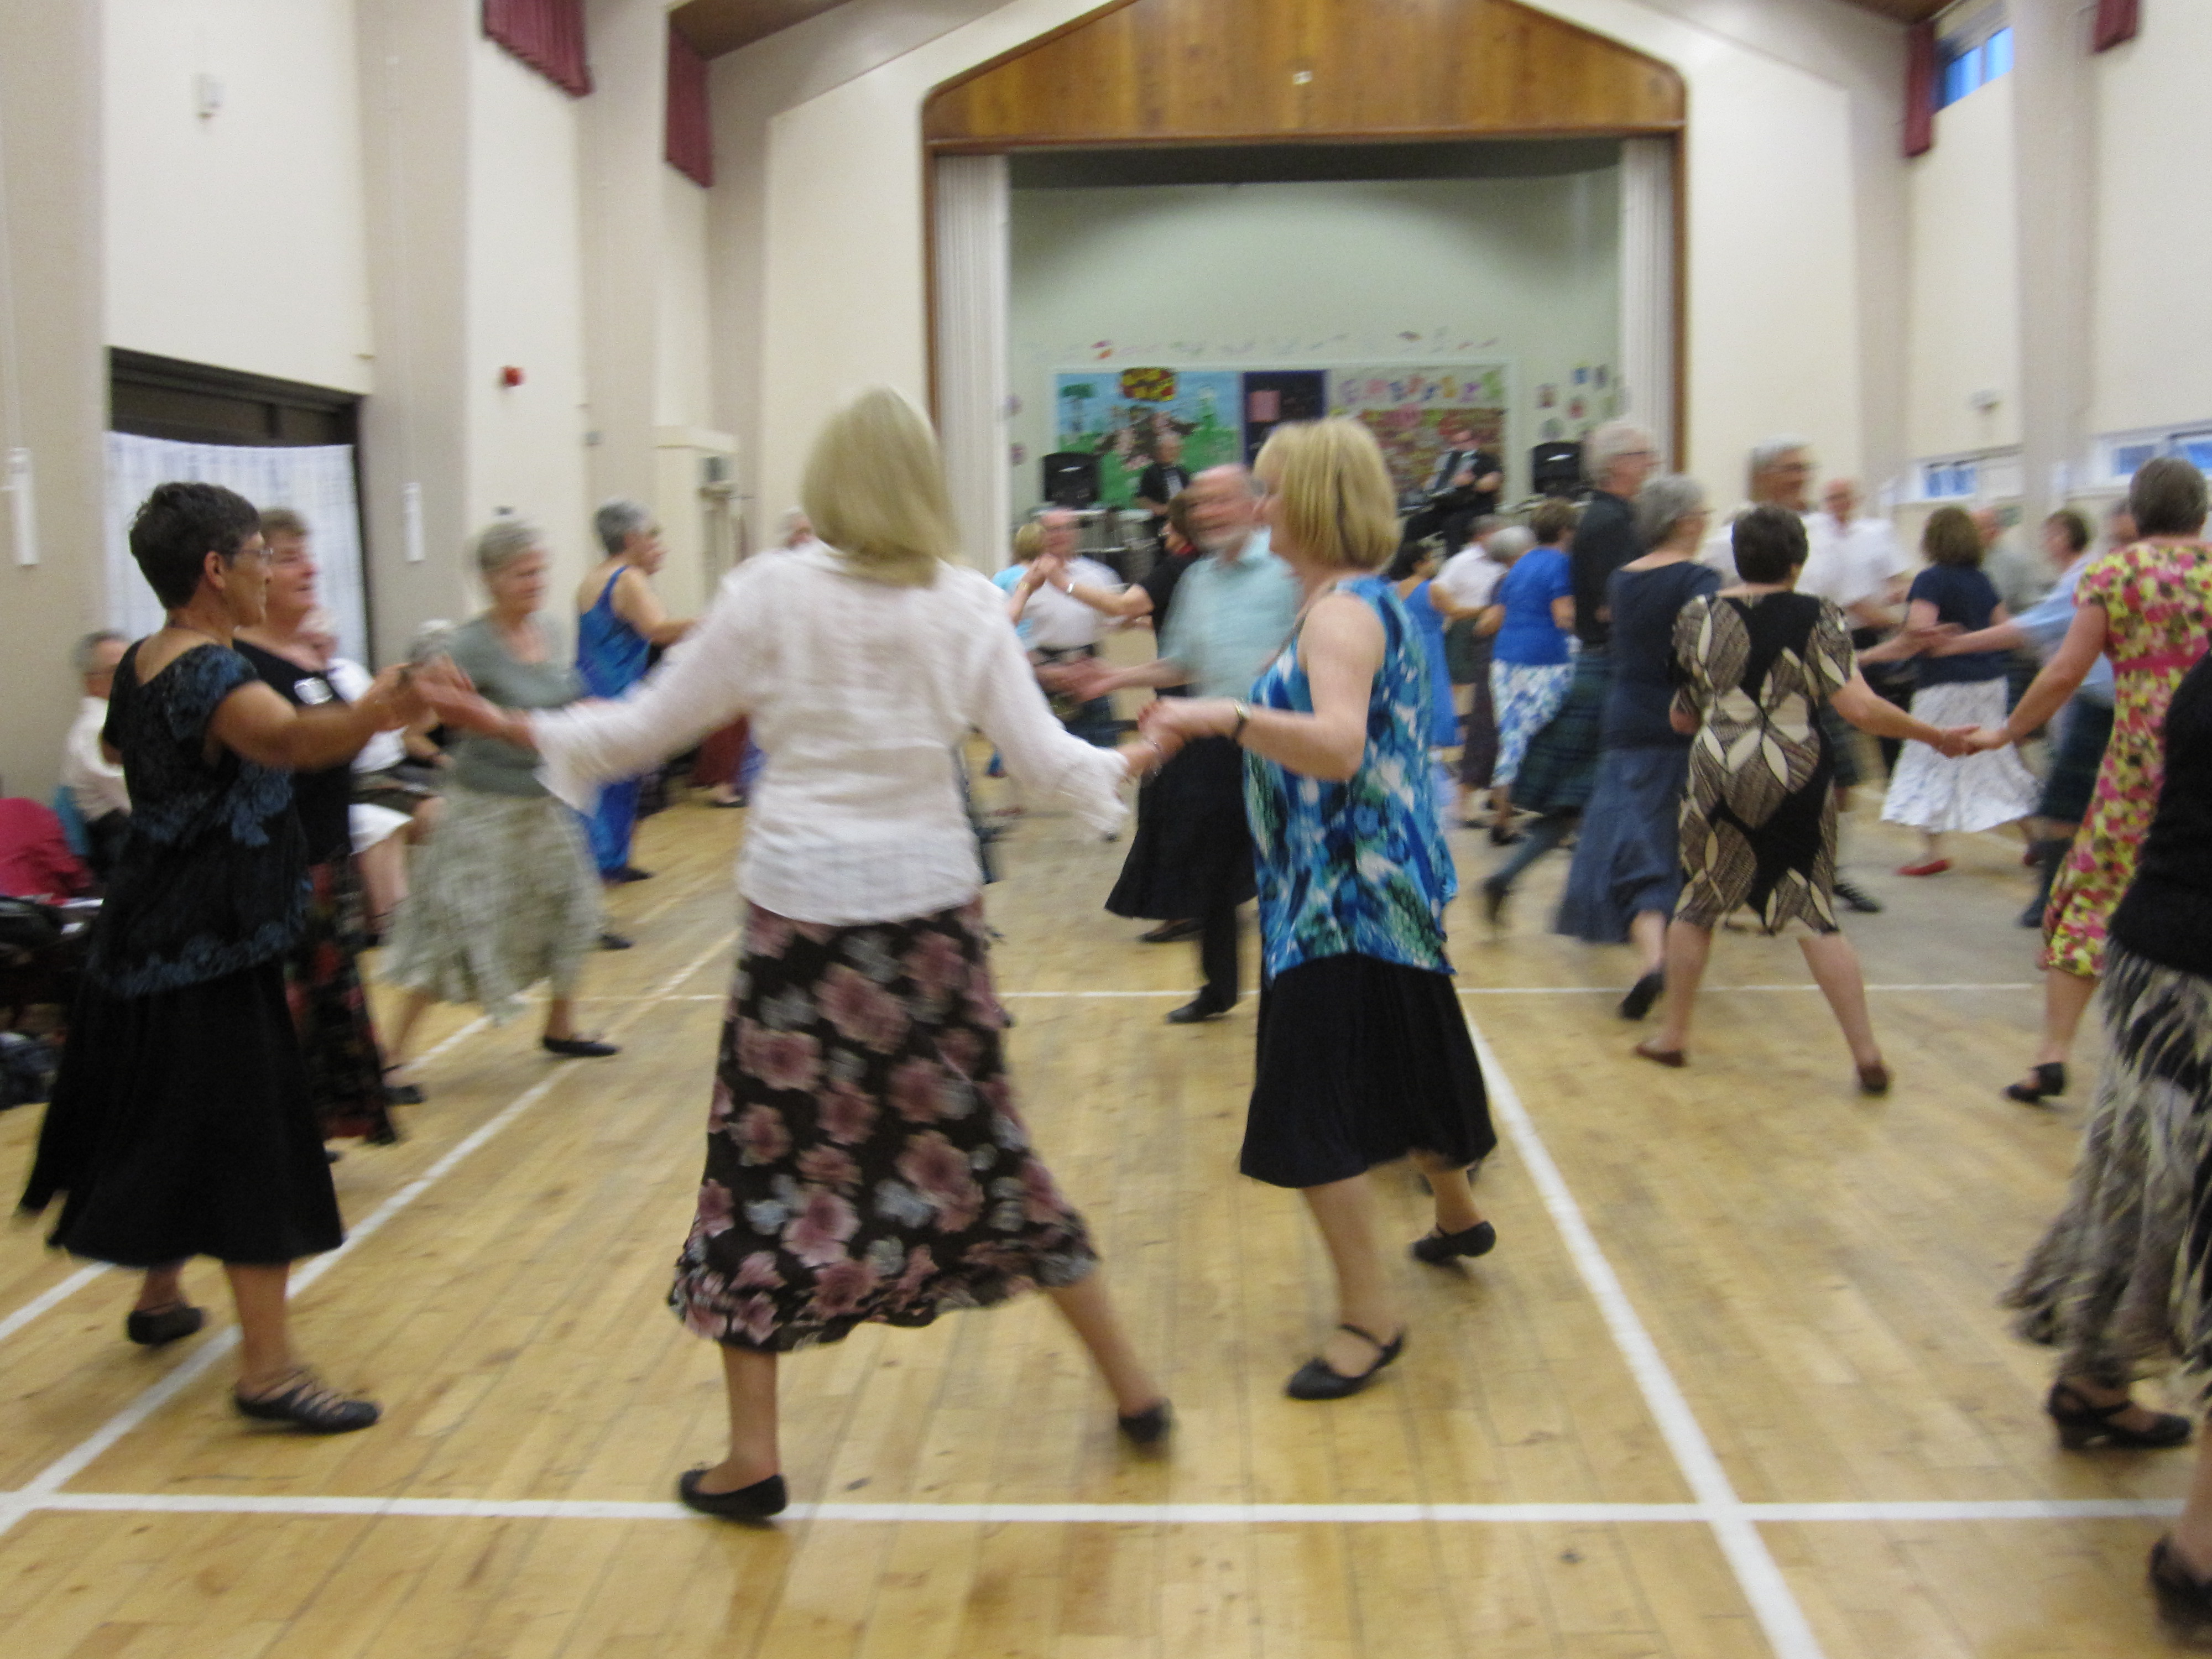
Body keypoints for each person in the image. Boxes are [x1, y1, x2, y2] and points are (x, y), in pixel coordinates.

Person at [422, 388, 1171, 1520]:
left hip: (799, 932)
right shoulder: (966, 605)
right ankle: (1135, 1390)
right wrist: (1134, 758)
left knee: (765, 1176)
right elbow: (1048, 761)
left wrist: (501, 726)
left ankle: (753, 1457)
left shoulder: (770, 595)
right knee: (986, 1157)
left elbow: (636, 730)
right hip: (928, 928)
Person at [22, 481, 436, 1432]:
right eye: (258, 556)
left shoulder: (143, 664)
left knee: (170, 1115)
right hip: (207, 946)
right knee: (257, 1143)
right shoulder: (210, 674)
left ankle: (161, 1295)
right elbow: (289, 740)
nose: (268, 571)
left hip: (149, 930)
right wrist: (384, 707)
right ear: (215, 569)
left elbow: (132, 756)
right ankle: (269, 1371)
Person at [1142, 418, 1497, 1402]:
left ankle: (1368, 1320)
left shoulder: (1340, 613)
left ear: (1305, 502)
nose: (1256, 508)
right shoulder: (1348, 602)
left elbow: (1338, 745)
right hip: (1364, 890)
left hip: (1344, 899)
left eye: (1266, 489)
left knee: (1310, 1118)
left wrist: (1223, 716)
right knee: (1411, 1062)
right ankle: (1459, 1216)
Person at [1999, 654, 2212, 1643]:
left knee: (2138, 1184)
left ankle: (2093, 1379)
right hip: (2194, 971)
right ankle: (2200, 1551)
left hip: (2156, 948)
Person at [1637, 506, 1975, 1090]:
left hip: (1716, 765)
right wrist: (1934, 736)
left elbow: (1680, 717)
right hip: (1794, 768)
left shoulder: (1697, 614)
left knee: (1698, 904)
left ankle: (1673, 1037)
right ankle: (1866, 1053)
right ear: (1798, 562)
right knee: (1812, 911)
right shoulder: (1819, 615)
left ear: (1738, 558)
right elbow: (1859, 709)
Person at [1961, 458, 2212, 1107]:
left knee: (2093, 895)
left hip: (2138, 762)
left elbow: (2064, 671)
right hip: (2205, 748)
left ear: (2138, 511)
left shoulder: (2114, 574)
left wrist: (2006, 731)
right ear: (2201, 510)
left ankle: (2051, 1054)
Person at [380, 520, 621, 1079]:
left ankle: (561, 1026)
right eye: (522, 573)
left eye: (540, 570)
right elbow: (421, 713)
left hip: (543, 801)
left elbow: (567, 703)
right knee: (452, 927)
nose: (536, 582)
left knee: (577, 907)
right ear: (490, 580)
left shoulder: (550, 633)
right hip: (482, 809)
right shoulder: (469, 646)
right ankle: (390, 1056)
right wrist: (416, 685)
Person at [1060, 466, 1299, 1021]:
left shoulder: (1288, 570)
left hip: (1281, 741)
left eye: (1222, 501)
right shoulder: (1197, 580)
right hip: (1212, 741)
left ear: (1254, 505)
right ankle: (1218, 990)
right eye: (1199, 504)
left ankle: (1290, 994)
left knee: (1286, 871)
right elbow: (1183, 664)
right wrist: (1112, 679)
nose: (1209, 512)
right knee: (1213, 872)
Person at [231, 513, 401, 1142]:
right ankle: (276, 1137)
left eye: (310, 556)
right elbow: (291, 748)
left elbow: (343, 746)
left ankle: (310, 1129)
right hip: (272, 864)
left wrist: (396, 710)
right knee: (282, 1009)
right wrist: (371, 712)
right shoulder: (239, 663)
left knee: (318, 995)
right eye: (291, 559)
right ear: (252, 573)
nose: (311, 570)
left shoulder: (309, 657)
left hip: (321, 857)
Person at [1551, 474, 1721, 1015]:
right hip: (1681, 723)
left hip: (1625, 721)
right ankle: (1657, 960)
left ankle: (1652, 959)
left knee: (1631, 845)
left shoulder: (1623, 580)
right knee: (1670, 851)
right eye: (1702, 512)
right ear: (1685, 520)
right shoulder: (1699, 579)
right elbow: (1704, 654)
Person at [1704, 440, 1885, 914]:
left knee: (1841, 781)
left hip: (1819, 674)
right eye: (1790, 468)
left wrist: (1904, 629)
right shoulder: (1730, 536)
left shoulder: (1823, 535)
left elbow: (1850, 600)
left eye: (1805, 467)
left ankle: (1826, 870)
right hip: (1758, 680)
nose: (1801, 476)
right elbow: (1715, 598)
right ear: (1763, 475)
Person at [1873, 505, 2040, 873]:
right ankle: (2034, 839)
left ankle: (1933, 851)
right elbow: (2007, 630)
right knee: (1997, 758)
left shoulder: (1930, 580)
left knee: (1927, 756)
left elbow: (1919, 632)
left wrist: (1882, 648)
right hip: (1990, 681)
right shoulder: (1981, 579)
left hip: (1944, 683)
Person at [575, 499, 694, 883]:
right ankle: (602, 865)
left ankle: (613, 861)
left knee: (615, 785)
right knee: (613, 786)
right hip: (615, 696)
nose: (661, 549)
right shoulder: (628, 578)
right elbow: (657, 630)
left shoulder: (594, 577)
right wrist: (722, 620)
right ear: (632, 539)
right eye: (654, 540)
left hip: (592, 690)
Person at [1483, 502, 1577, 840]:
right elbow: (1563, 616)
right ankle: (1562, 818)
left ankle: (1502, 819)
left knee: (1512, 736)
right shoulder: (1561, 564)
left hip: (1505, 657)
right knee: (1558, 733)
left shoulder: (1520, 566)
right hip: (1545, 659)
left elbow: (1495, 617)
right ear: (1566, 532)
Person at [1432, 519, 1514, 825]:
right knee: (1475, 707)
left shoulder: (1504, 575)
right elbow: (1440, 589)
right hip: (1479, 636)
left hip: (1495, 643)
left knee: (1489, 720)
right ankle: (1464, 799)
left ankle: (1498, 798)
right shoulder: (1463, 562)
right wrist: (1460, 612)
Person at [1386, 538, 1462, 830]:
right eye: (1429, 559)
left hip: (1403, 649)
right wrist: (1483, 606)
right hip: (1430, 647)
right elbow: (1454, 611)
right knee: (1437, 695)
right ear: (1419, 562)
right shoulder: (1432, 589)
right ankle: (1435, 756)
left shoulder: (1391, 590)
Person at [1567, 422, 1658, 654]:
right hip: (1611, 659)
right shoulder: (1611, 522)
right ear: (1615, 463)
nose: (1653, 463)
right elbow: (1614, 603)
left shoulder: (1618, 515)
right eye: (1643, 455)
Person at [60, 630, 131, 878]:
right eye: (117, 671)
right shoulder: (93, 732)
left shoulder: (125, 719)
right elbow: (139, 798)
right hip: (124, 853)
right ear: (92, 682)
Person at [1397, 418, 1501, 560]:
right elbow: (1437, 482)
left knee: (1452, 524)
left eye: (1463, 442)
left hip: (1476, 509)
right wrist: (1431, 486)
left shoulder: (1486, 459)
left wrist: (1471, 483)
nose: (1458, 447)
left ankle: (1452, 565)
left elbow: (1493, 483)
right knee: (1413, 524)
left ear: (1474, 442)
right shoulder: (1448, 461)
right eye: (1455, 443)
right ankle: (1402, 568)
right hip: (1447, 508)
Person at [1133, 430, 1189, 554]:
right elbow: (1141, 499)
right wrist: (1161, 509)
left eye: (1175, 449)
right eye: (1169, 449)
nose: (1173, 452)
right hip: (1161, 522)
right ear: (1160, 450)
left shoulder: (1182, 472)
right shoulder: (1151, 473)